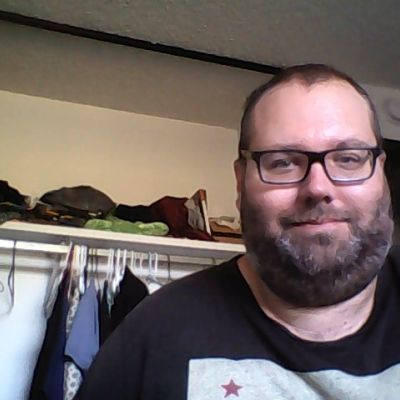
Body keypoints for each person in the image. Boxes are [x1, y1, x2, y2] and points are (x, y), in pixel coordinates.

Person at [77, 64, 400, 399]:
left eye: (348, 159)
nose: (318, 188)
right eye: (283, 162)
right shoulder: (151, 336)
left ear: (381, 172)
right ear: (240, 181)